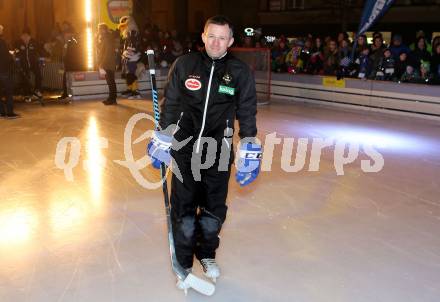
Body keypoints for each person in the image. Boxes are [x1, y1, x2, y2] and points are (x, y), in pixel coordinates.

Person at [147, 15, 261, 290]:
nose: (216, 42)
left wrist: (249, 144)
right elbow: (172, 103)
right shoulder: (185, 65)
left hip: (219, 153)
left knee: (213, 214)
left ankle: (207, 255)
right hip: (185, 151)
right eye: (212, 35)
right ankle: (184, 264)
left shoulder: (239, 72)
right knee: (183, 213)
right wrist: (163, 136)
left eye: (222, 37)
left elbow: (246, 110)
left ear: (231, 41)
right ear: (203, 36)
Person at [14, 30, 44, 101]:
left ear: (29, 36)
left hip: (34, 63)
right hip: (24, 63)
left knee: (38, 75)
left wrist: (43, 58)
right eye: (22, 37)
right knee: (25, 77)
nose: (24, 38)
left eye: (26, 37)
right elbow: (16, 51)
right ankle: (26, 93)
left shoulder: (34, 42)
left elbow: (40, 50)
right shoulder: (18, 43)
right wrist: (16, 56)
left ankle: (37, 90)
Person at [118, 15, 142, 99]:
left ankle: (135, 91)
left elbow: (133, 45)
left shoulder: (132, 32)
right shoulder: (130, 32)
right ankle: (130, 89)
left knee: (131, 73)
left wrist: (127, 55)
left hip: (131, 56)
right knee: (128, 73)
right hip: (130, 55)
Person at [0, 25, 19, 119]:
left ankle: (1, 112)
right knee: (9, 91)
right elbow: (5, 57)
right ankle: (10, 112)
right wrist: (12, 56)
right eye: (1, 30)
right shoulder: (2, 42)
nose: (2, 31)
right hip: (3, 70)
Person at [96, 23, 117, 105]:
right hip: (107, 62)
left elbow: (107, 53)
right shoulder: (105, 38)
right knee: (110, 81)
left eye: (100, 29)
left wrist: (102, 63)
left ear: (104, 30)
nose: (99, 31)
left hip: (108, 63)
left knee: (111, 81)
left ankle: (112, 99)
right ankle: (111, 98)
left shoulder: (107, 38)